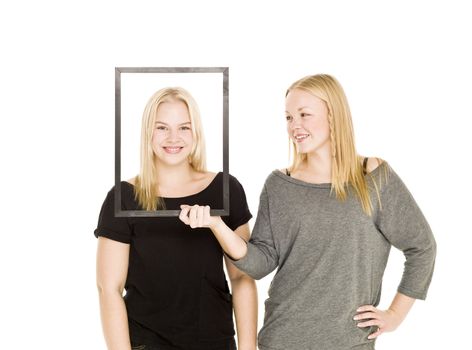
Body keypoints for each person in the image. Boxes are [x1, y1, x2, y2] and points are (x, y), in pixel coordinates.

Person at [179, 74, 437, 349]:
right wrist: (218, 226)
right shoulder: (279, 184)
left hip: (350, 343)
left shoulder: (371, 176)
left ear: (333, 115)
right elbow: (260, 263)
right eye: (289, 117)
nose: (294, 126)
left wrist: (396, 314)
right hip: (281, 339)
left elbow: (422, 247)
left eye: (304, 115)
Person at [94, 87, 257, 350]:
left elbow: (242, 277)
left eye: (184, 127)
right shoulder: (123, 198)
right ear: (148, 132)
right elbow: (109, 289)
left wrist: (248, 348)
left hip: (214, 341)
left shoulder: (226, 190)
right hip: (146, 342)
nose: (173, 137)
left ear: (196, 133)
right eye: (162, 128)